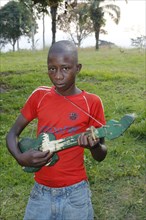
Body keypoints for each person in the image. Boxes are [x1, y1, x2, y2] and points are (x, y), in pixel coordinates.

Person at [6, 40, 107, 220]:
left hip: (76, 193)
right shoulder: (39, 96)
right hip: (40, 193)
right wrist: (20, 158)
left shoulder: (91, 102)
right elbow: (12, 134)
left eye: (65, 68)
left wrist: (93, 146)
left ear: (78, 68)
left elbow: (101, 155)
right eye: (52, 69)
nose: (58, 76)